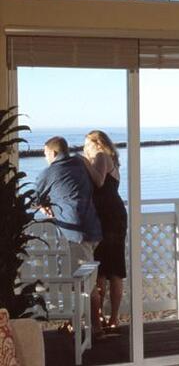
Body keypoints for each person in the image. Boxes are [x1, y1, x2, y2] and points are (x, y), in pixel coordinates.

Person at [35, 136, 104, 338]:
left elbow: (36, 199)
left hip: (76, 233)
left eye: (45, 153)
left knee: (83, 283)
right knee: (85, 277)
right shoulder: (79, 163)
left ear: (53, 153)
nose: (44, 157)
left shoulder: (49, 173)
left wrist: (44, 207)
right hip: (93, 229)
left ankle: (92, 329)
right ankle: (77, 324)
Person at [82, 130, 127, 330]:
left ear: (97, 143)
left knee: (101, 269)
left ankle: (100, 318)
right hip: (115, 215)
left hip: (107, 218)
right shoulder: (113, 160)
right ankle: (113, 318)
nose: (85, 148)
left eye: (86, 144)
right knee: (115, 268)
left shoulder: (101, 156)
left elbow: (99, 181)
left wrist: (84, 162)